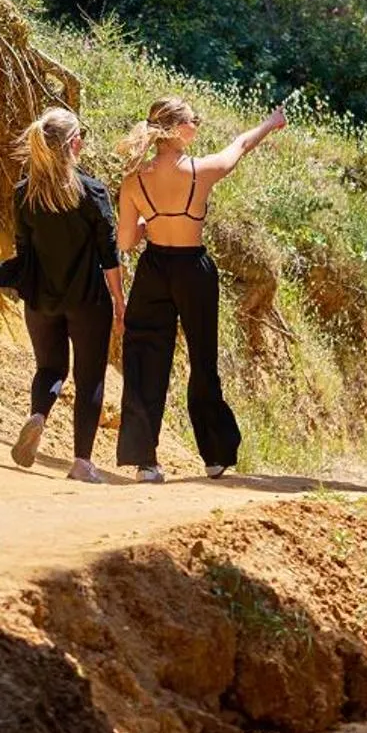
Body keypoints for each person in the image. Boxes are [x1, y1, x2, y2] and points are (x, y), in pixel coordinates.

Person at [115, 95, 287, 483]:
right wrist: (271, 121)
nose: (198, 123)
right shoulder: (200, 171)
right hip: (193, 268)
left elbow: (125, 243)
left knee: (145, 359)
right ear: (177, 129)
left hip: (154, 268)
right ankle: (214, 456)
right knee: (202, 359)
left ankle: (145, 463)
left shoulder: (133, 180)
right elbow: (240, 145)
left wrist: (150, 224)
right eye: (194, 119)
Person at [9, 106, 126, 484]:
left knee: (49, 368)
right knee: (89, 376)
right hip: (88, 299)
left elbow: (23, 249)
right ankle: (81, 463)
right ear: (75, 143)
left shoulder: (25, 193)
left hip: (41, 297)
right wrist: (120, 302)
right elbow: (110, 255)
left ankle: (39, 414)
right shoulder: (92, 192)